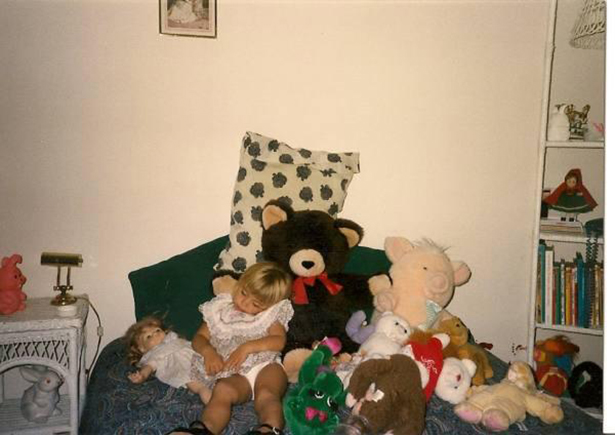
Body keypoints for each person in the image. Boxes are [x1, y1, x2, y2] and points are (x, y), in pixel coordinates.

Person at [172, 261, 294, 435]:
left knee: (267, 395)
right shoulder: (219, 310)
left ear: (270, 306)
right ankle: (202, 430)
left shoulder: (269, 315)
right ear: (240, 281)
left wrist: (246, 348)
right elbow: (199, 338)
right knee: (222, 390)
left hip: (266, 366)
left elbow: (278, 341)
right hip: (235, 374)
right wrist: (208, 352)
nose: (244, 303)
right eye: (243, 293)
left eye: (255, 304)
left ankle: (267, 430)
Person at [124, 316, 213, 405]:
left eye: (157, 330)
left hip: (199, 360)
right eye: (149, 336)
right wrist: (142, 376)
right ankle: (213, 405)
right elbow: (149, 367)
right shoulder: (155, 354)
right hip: (184, 371)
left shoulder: (174, 339)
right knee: (201, 387)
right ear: (142, 348)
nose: (156, 334)